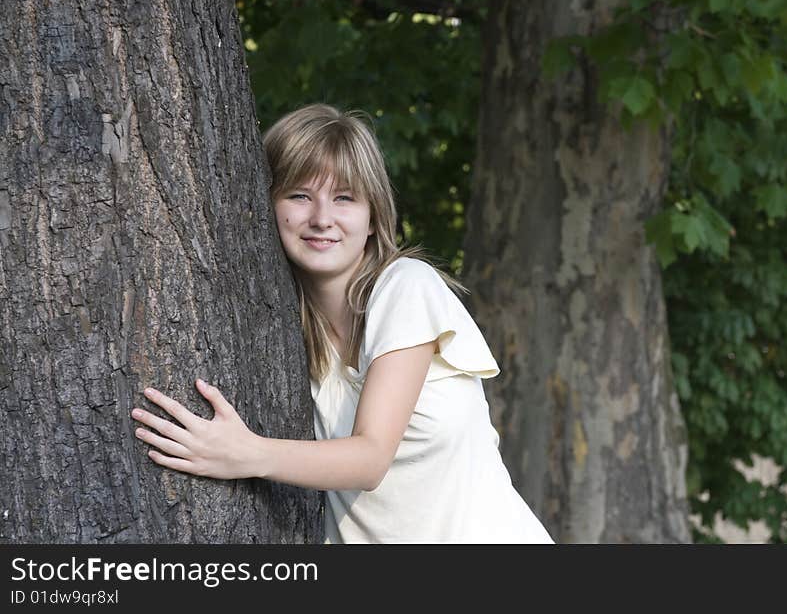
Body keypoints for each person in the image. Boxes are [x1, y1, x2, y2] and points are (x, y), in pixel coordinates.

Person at [131, 103, 554, 544]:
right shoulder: (282, 331)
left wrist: (245, 454)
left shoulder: (406, 287)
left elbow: (370, 460)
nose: (321, 218)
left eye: (344, 197)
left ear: (373, 216)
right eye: (299, 195)